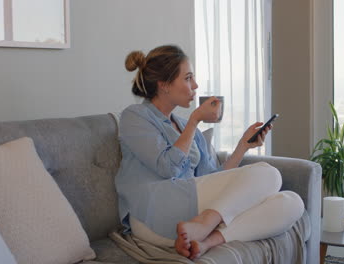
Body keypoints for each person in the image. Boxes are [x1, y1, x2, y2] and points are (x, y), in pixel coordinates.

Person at [115, 45, 304, 260]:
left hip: (187, 215)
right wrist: (195, 120)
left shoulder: (184, 126)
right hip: (154, 213)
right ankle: (205, 223)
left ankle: (206, 241)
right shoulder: (135, 117)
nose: (195, 86)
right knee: (269, 173)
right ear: (164, 85)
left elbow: (214, 178)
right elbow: (167, 168)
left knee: (292, 203)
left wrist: (243, 145)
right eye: (188, 78)